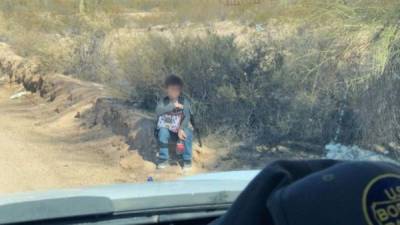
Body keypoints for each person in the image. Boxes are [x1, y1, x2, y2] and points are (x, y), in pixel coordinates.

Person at [155, 75, 193, 170]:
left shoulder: (184, 101)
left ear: (180, 90)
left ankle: (187, 160)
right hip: (168, 130)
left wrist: (181, 128)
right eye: (171, 89)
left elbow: (187, 116)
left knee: (187, 133)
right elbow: (158, 111)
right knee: (162, 132)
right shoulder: (164, 101)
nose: (174, 92)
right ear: (166, 89)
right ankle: (163, 159)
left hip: (180, 129)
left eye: (176, 89)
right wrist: (172, 106)